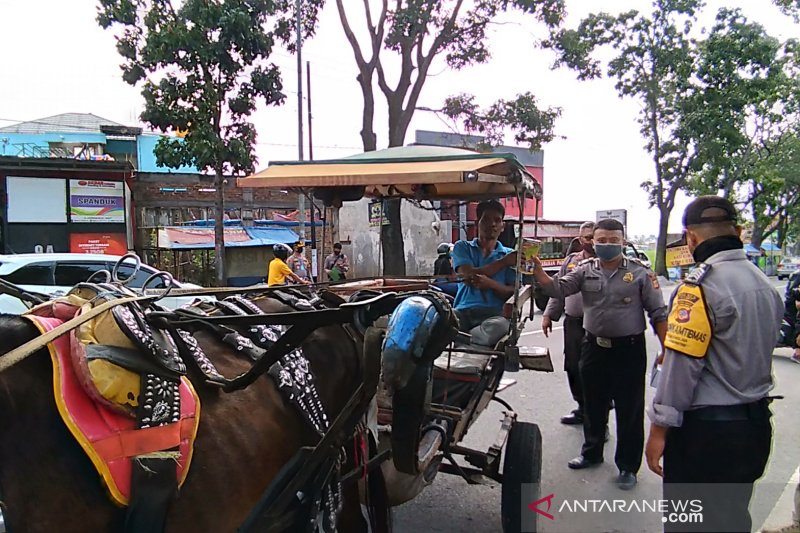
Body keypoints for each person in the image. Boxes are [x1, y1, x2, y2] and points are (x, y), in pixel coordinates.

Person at [645, 196, 783, 532]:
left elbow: (681, 368)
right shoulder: (765, 285)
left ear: (691, 238)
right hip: (754, 428)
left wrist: (659, 428)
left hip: (706, 436)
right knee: (733, 520)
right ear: (737, 231)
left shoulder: (699, 288)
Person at [530, 218, 667, 490]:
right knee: (593, 403)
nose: (606, 245)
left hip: (628, 349)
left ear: (623, 242)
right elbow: (559, 289)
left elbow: (658, 313)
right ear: (592, 241)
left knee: (629, 409)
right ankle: (591, 452)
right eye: (601, 240)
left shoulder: (640, 273)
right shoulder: (584, 270)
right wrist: (538, 272)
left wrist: (667, 349)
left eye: (613, 241)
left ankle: (627, 466)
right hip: (593, 347)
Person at [542, 222, 596, 425]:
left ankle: (598, 418)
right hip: (573, 323)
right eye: (586, 237)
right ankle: (582, 408)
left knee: (594, 372)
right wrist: (548, 314)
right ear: (580, 240)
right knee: (573, 366)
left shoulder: (607, 263)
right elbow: (558, 288)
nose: (589, 241)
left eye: (593, 237)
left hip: (596, 326)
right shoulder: (572, 261)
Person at [451, 199, 517, 332]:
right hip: (462, 311)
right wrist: (503, 262)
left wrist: (490, 284)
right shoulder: (462, 247)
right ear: (477, 223)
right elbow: (468, 275)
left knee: (501, 327)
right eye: (486, 219)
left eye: (497, 220)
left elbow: (514, 291)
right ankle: (471, 337)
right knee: (439, 321)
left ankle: (467, 338)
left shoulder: (511, 255)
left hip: (493, 315)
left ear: (502, 226)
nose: (492, 224)